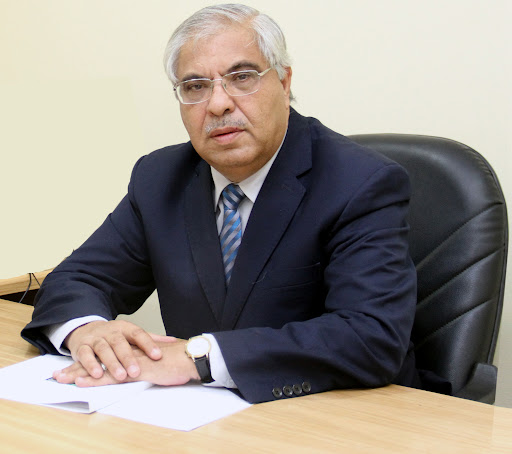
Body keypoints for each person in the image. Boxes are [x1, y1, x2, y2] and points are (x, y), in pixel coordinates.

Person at [22, 3, 422, 404]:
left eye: (242, 77)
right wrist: (87, 330)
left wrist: (200, 358)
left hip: (341, 416)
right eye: (195, 87)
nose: (217, 104)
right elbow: (77, 279)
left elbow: (371, 336)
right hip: (197, 417)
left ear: (284, 82)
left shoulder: (360, 183)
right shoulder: (160, 178)